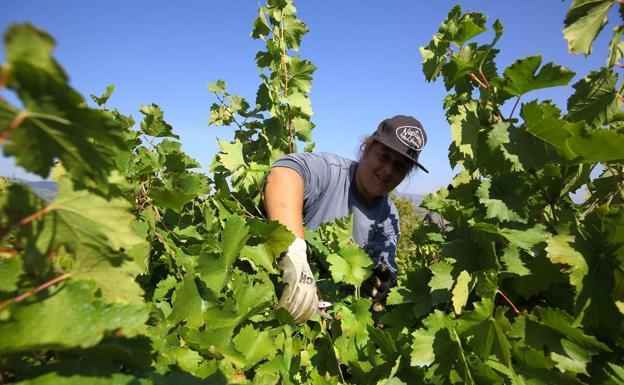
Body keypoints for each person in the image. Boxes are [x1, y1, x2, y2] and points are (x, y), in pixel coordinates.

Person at [263, 115, 429, 323]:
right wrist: (295, 256)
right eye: (384, 157)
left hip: (332, 322)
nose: (388, 170)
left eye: (400, 167)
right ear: (367, 147)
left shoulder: (389, 215)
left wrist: (379, 282)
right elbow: (283, 173)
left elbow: (386, 267)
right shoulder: (330, 172)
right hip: (282, 303)